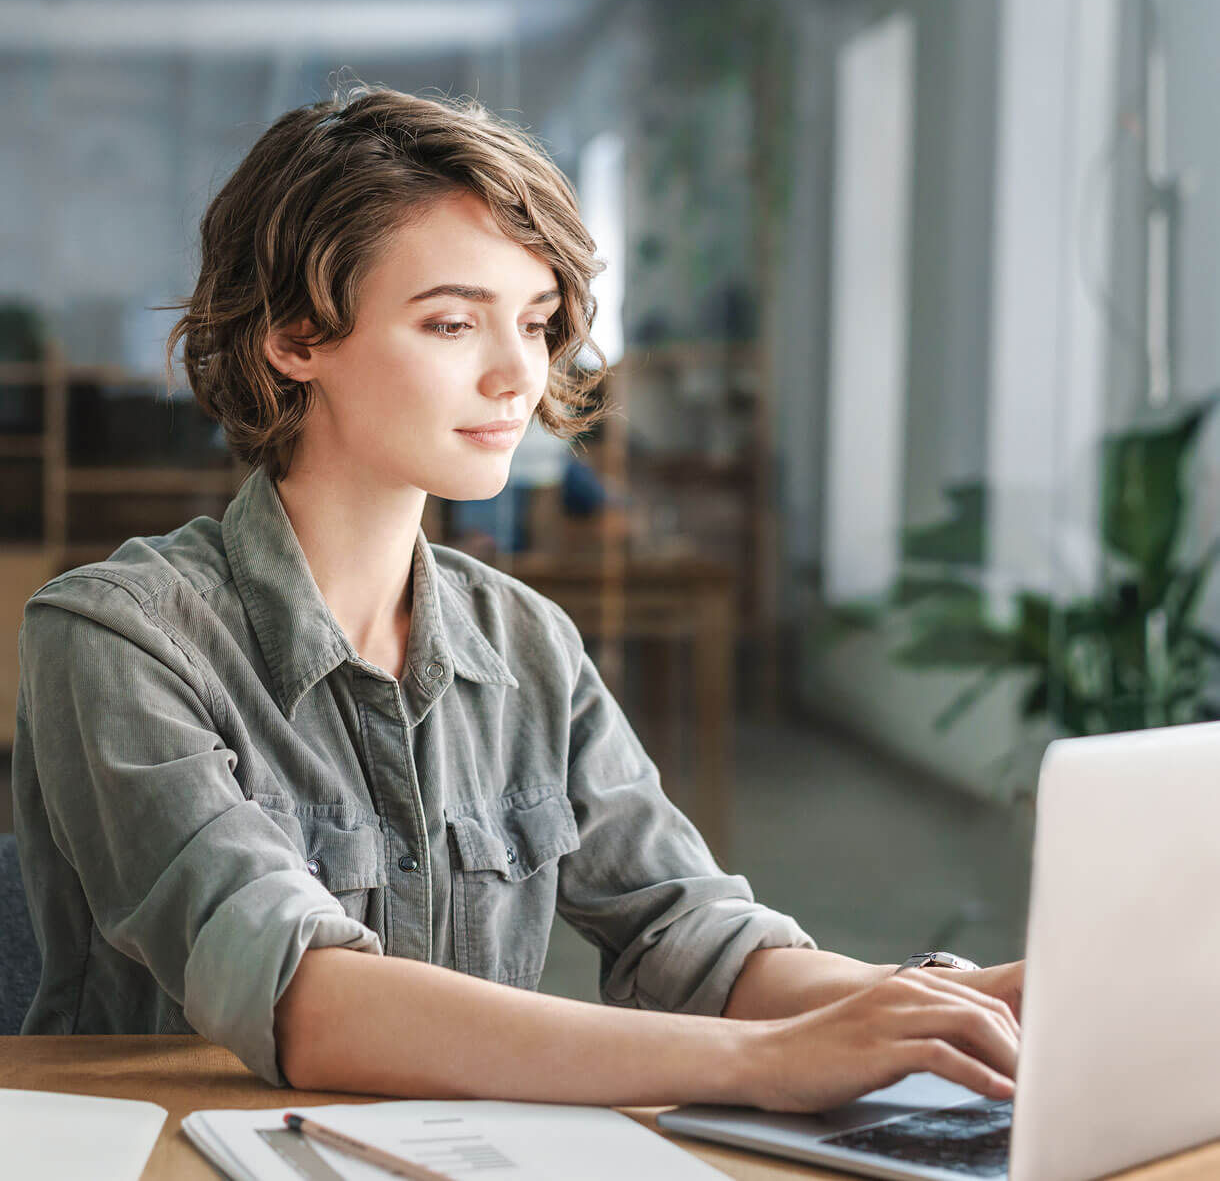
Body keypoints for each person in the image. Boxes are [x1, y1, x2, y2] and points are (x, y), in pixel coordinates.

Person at [12, 85, 1023, 1113]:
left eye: (535, 322)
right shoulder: (114, 637)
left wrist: (955, 1005)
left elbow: (690, 935)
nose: (517, 375)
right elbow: (305, 995)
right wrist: (765, 1061)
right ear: (295, 336)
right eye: (451, 321)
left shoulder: (525, 639)